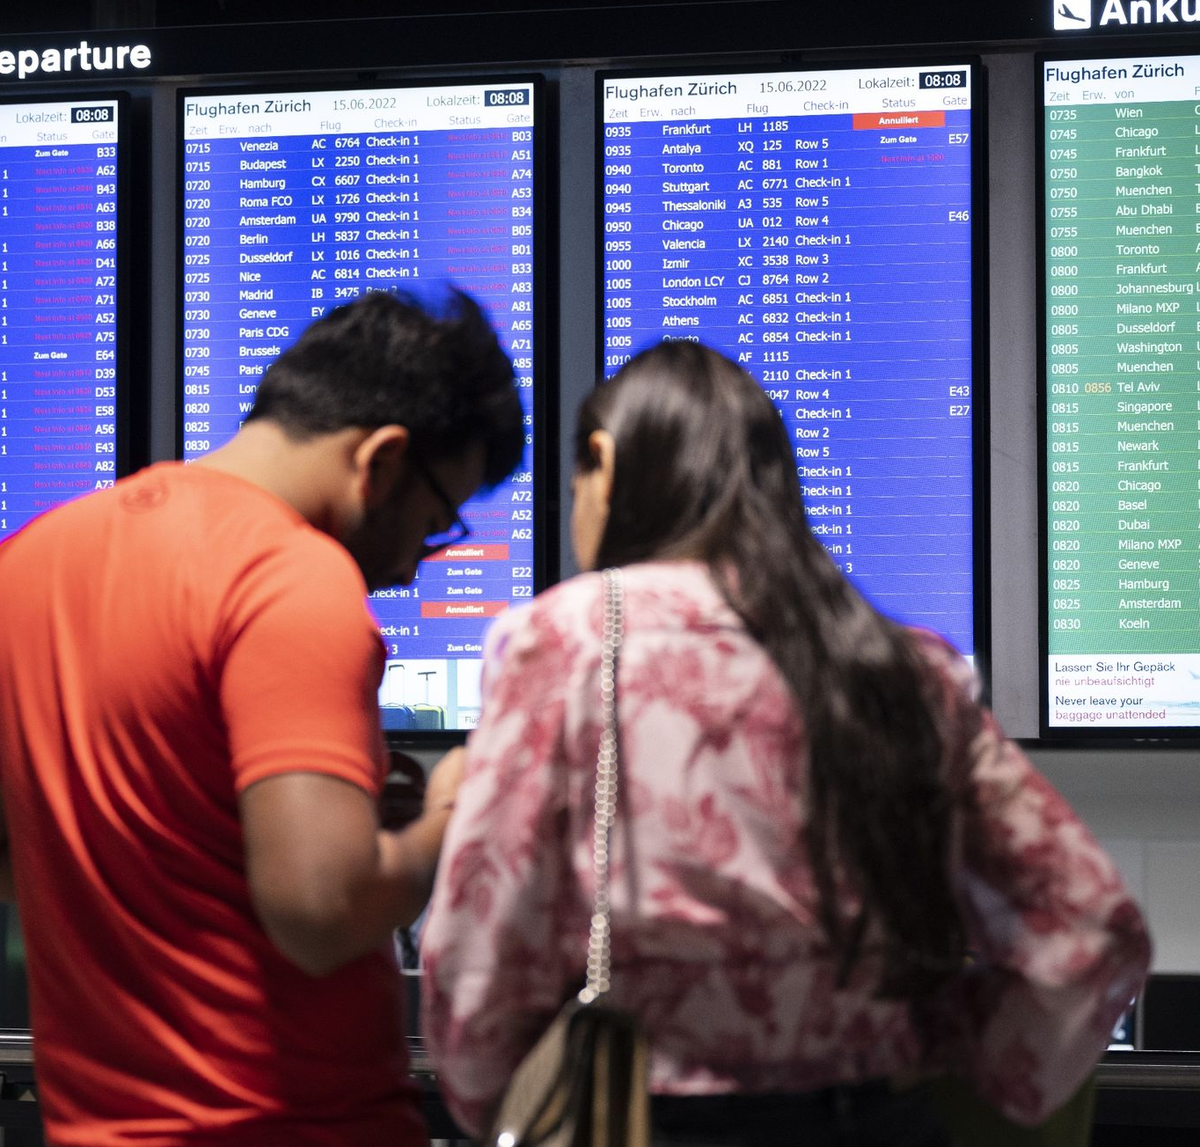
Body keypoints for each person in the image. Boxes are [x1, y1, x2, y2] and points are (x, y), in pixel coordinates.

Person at [420, 339, 1151, 1145]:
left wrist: (495, 1096)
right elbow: (1093, 926)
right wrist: (957, 1050)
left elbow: (484, 948)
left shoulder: (564, 641)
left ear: (605, 460)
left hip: (650, 1118)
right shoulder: (903, 665)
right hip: (881, 1120)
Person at [0, 288, 523, 1146]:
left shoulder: (31, 561)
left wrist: (238, 837)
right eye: (434, 525)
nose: (410, 568)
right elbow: (322, 909)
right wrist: (452, 816)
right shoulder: (292, 579)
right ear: (382, 460)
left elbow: (30, 854)